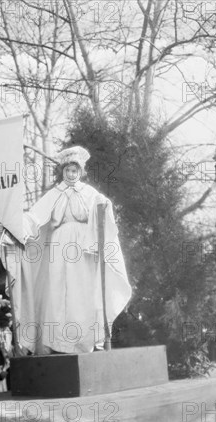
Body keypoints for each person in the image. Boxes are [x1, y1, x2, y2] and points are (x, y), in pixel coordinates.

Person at [20, 146, 132, 354]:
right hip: (59, 245)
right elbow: (35, 216)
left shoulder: (90, 193)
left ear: (81, 173)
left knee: (82, 290)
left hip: (83, 247)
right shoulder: (54, 194)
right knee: (58, 289)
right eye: (67, 171)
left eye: (75, 171)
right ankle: (59, 343)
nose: (71, 175)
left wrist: (105, 206)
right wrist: (18, 225)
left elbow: (103, 209)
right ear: (62, 172)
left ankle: (85, 341)